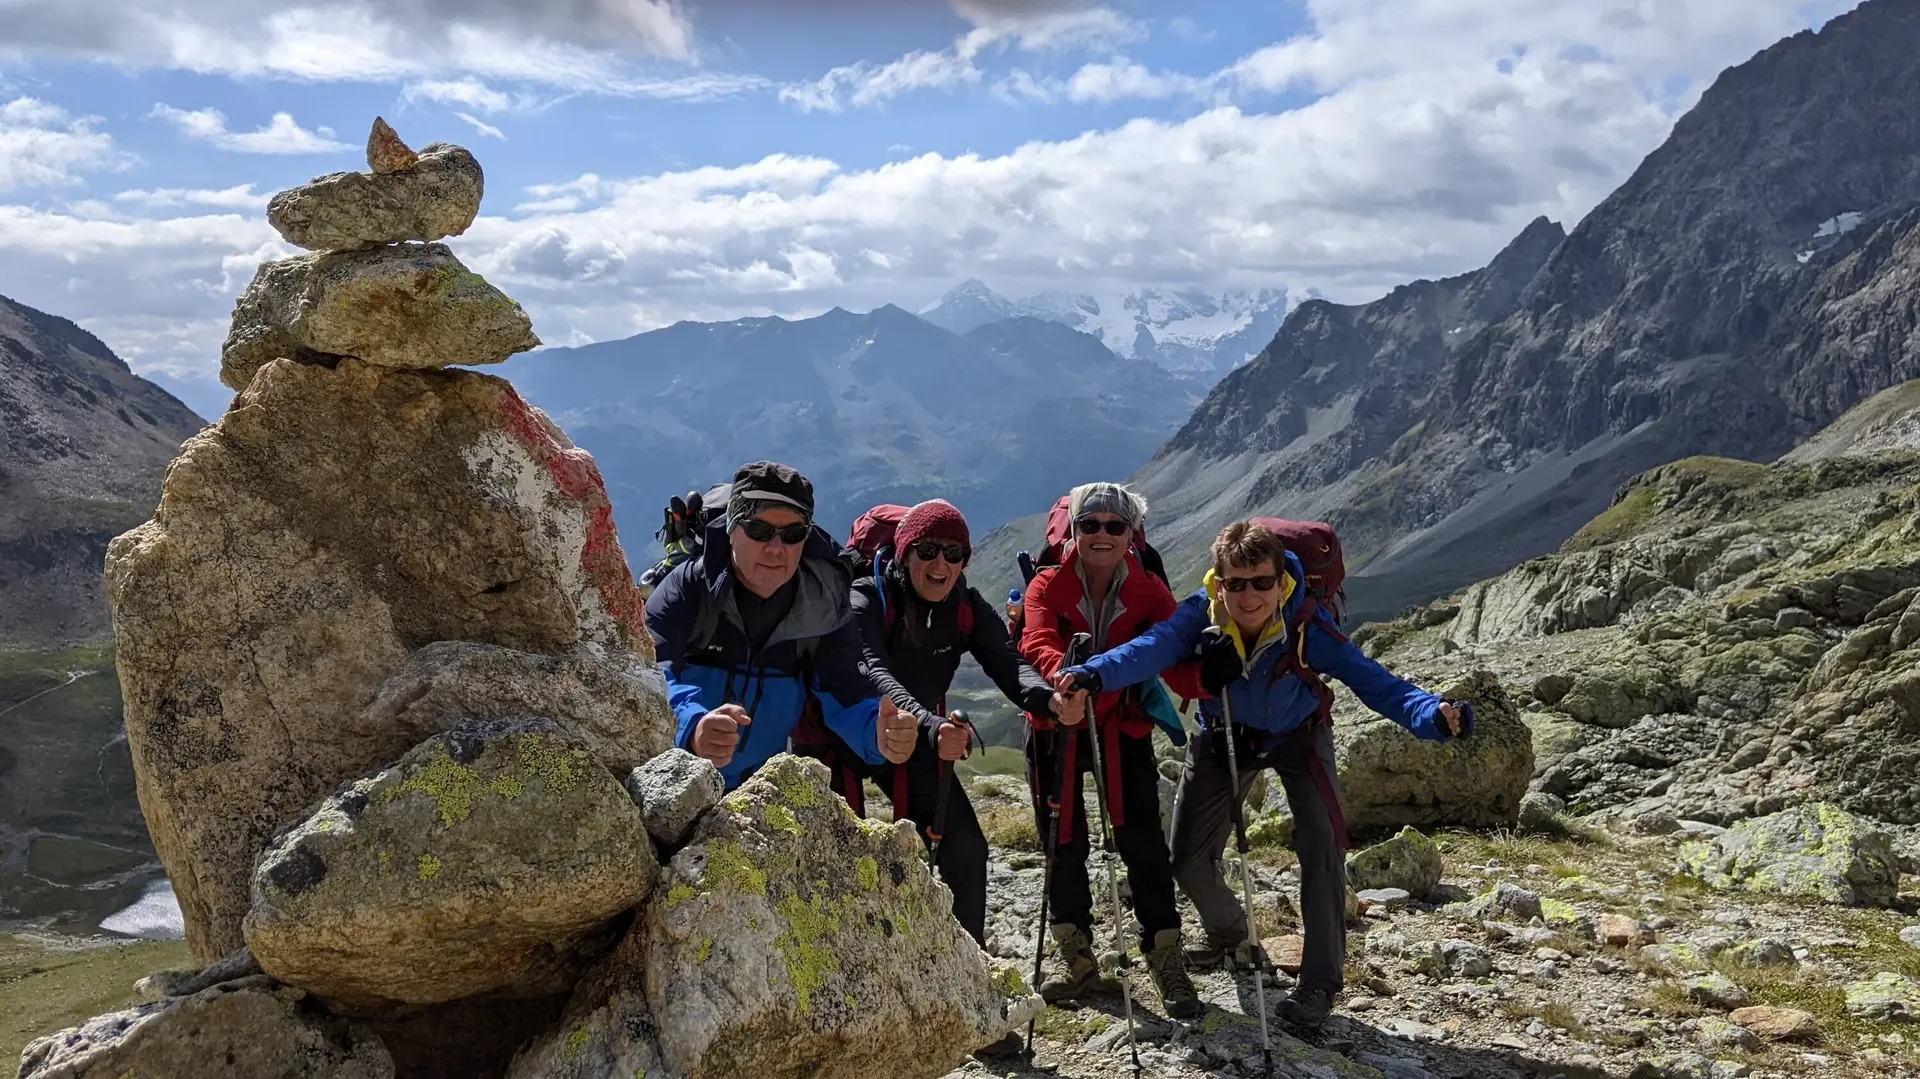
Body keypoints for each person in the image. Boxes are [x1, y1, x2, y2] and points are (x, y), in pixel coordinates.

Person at [1056, 520, 1470, 1030]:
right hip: (1221, 731)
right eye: (1235, 584)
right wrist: (1093, 672)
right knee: (1186, 858)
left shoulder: (1307, 627)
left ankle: (1319, 985)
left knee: (1321, 845)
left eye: (1260, 583)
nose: (1248, 597)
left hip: (1298, 736)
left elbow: (1376, 683)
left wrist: (1432, 716)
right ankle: (1234, 937)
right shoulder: (1198, 615)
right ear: (1219, 581)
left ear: (1281, 583)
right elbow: (1150, 649)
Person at [1017, 482, 1205, 1020]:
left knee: (1142, 840)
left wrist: (1204, 679)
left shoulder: (1149, 591)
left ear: (1132, 535)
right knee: (1064, 839)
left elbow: (1172, 650)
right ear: (1072, 530)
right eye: (1089, 524)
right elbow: (1035, 641)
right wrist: (1065, 682)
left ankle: (1164, 955)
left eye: (1114, 526)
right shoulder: (1047, 584)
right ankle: (1079, 959)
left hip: (1119, 727)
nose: (1101, 535)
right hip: (1057, 723)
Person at [852, 500, 1064, 946]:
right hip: (848, 736)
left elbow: (1007, 661)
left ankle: (968, 971)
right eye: (927, 550)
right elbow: (873, 670)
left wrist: (1049, 700)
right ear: (904, 553)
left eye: (953, 553)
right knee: (842, 861)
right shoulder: (868, 596)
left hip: (921, 733)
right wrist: (932, 726)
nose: (940, 564)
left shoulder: (964, 604)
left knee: (965, 848)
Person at [645, 461, 920, 791]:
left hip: (757, 793)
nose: (776, 549)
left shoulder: (823, 605)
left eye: (792, 535)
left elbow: (849, 694)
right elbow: (653, 676)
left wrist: (880, 734)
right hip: (671, 781)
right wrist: (693, 725)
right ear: (732, 529)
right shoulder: (688, 588)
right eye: (759, 531)